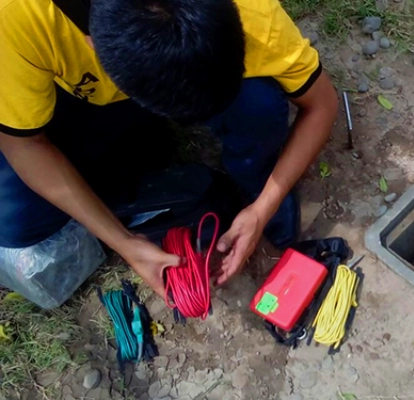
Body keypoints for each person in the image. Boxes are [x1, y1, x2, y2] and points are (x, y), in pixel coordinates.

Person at [0, 0, 338, 299]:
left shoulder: (252, 11)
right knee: (20, 226)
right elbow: (24, 144)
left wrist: (265, 205)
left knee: (258, 105)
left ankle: (251, 176)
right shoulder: (17, 16)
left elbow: (322, 104)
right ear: (93, 45)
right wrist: (125, 242)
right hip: (65, 90)